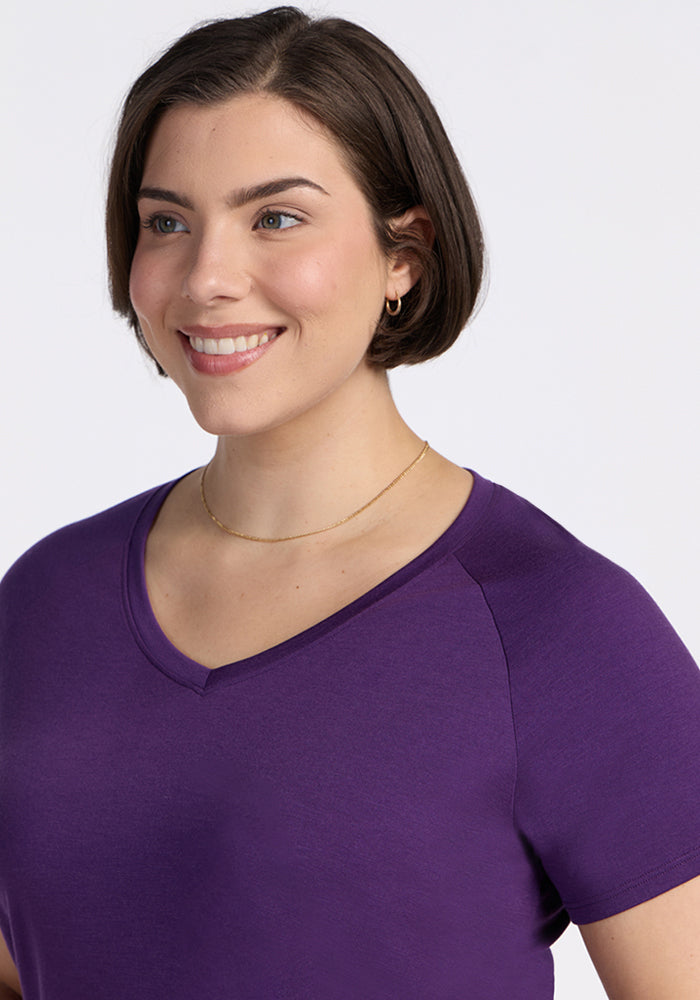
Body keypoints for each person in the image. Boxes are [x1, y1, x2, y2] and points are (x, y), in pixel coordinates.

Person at [1, 6, 699, 998]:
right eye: (167, 222)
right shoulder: (46, 601)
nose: (206, 278)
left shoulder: (557, 627)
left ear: (403, 255)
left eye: (274, 218)